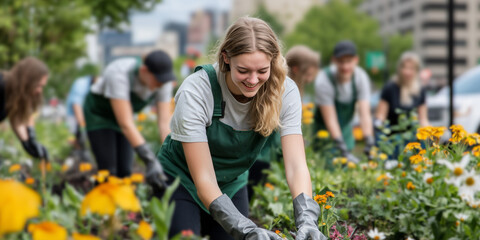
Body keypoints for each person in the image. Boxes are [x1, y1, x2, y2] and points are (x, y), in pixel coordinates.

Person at [158, 17, 326, 240]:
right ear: (226, 58)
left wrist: (307, 220)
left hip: (231, 182)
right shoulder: (197, 92)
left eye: (262, 70)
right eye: (244, 70)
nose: (253, 80)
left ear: (273, 61)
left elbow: (296, 166)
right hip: (181, 179)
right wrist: (246, 229)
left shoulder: (284, 92)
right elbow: (204, 179)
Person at [83, 50, 175, 192]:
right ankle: (102, 211)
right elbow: (125, 123)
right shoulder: (119, 73)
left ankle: (123, 210)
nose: (160, 85)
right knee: (108, 171)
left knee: (125, 170)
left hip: (124, 117)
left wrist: (168, 159)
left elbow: (164, 123)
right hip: (99, 115)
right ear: (144, 71)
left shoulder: (163, 82)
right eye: (157, 80)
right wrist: (149, 160)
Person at [314, 40, 374, 164]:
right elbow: (330, 119)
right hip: (324, 131)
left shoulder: (361, 78)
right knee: (325, 166)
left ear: (356, 60)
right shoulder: (324, 80)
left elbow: (364, 114)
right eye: (341, 62)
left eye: (349, 62)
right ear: (334, 60)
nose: (345, 67)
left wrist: (368, 140)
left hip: (345, 129)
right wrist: (341, 147)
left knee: (347, 169)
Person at [375, 52, 429, 156]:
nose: (407, 72)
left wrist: (431, 134)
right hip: (392, 139)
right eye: (404, 68)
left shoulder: (420, 90)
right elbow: (380, 116)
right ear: (399, 69)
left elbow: (423, 119)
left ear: (416, 71)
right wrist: (378, 127)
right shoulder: (390, 88)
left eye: (411, 68)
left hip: (412, 139)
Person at [0, 57, 49, 161]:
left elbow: (17, 118)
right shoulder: (1, 85)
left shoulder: (12, 94)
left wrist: (29, 141)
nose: (40, 91)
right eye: (38, 85)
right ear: (27, 81)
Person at [65, 75, 97, 161]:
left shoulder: (92, 86)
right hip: (73, 115)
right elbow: (76, 104)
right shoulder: (81, 84)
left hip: (84, 115)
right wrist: (82, 123)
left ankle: (83, 157)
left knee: (82, 138)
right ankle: (77, 157)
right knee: (76, 137)